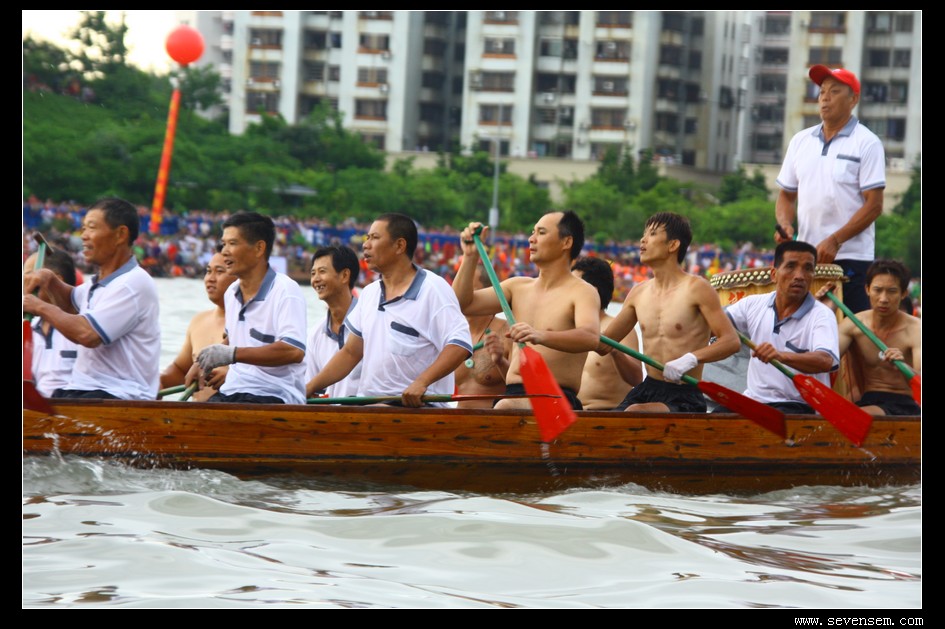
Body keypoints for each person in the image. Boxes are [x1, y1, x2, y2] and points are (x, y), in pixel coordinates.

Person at [305, 213, 472, 407]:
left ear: (399, 245)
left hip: (418, 407)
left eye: (374, 238)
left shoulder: (433, 289)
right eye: (367, 238)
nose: (365, 245)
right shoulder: (369, 293)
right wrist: (309, 387)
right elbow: (350, 352)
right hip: (370, 404)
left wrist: (422, 382)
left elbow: (459, 344)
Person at [454, 211, 600, 411]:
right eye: (533, 232)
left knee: (505, 407)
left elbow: (590, 337)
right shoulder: (516, 287)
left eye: (541, 232)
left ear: (566, 242)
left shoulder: (583, 291)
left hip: (554, 397)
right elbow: (462, 304)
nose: (531, 239)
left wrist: (540, 335)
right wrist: (470, 256)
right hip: (514, 394)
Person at [23, 197, 161, 400]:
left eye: (91, 228)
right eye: (83, 229)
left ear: (120, 234)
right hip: (84, 390)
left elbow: (87, 334)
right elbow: (71, 303)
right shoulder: (100, 283)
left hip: (119, 394)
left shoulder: (132, 283)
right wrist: (50, 280)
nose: (84, 236)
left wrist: (40, 307)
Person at [602, 212, 740, 413]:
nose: (643, 240)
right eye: (644, 234)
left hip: (684, 394)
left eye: (652, 234)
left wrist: (690, 359)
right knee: (608, 423)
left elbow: (731, 341)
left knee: (634, 413)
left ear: (673, 245)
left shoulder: (697, 288)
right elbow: (603, 343)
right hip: (647, 389)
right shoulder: (638, 293)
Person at [775, 64, 886, 314]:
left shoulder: (867, 143)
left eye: (834, 91)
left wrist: (836, 240)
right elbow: (786, 195)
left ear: (853, 99)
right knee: (801, 327)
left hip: (852, 257)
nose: (825, 97)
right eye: (822, 91)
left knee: (850, 330)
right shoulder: (800, 141)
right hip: (805, 258)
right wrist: (785, 224)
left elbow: (875, 205)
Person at [196, 212, 307, 405]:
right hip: (233, 391)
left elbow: (293, 351)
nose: (224, 251)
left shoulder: (286, 290)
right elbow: (233, 338)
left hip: (275, 395)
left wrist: (233, 354)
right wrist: (201, 364)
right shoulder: (231, 292)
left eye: (232, 243)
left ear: (259, 248)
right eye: (223, 244)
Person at [717, 240, 840, 414]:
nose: (800, 275)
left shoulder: (822, 315)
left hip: (797, 405)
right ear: (774, 274)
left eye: (807, 268)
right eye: (791, 266)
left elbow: (825, 361)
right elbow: (715, 326)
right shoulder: (752, 304)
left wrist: (780, 356)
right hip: (753, 400)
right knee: (716, 417)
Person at [816, 259, 920, 416]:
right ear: (867, 289)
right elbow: (824, 361)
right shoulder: (853, 324)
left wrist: (905, 368)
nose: (883, 299)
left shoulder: (917, 329)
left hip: (904, 404)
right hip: (867, 401)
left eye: (892, 291)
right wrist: (825, 313)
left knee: (851, 415)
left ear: (904, 293)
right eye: (877, 290)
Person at [159, 247, 236, 401]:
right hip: (196, 413)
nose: (210, 278)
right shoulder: (199, 321)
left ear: (240, 277)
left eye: (219, 271)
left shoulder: (253, 321)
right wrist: (157, 382)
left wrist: (235, 377)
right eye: (208, 271)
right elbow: (180, 370)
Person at [572, 256, 643, 410]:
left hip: (605, 414)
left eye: (573, 285)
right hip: (569, 413)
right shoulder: (565, 330)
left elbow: (637, 379)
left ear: (592, 291)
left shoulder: (620, 329)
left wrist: (615, 351)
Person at [303, 245, 363, 400]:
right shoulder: (316, 334)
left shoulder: (368, 322)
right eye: (313, 273)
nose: (315, 279)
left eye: (322, 271)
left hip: (369, 412)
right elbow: (310, 388)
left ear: (345, 275)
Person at [452, 261, 512, 409]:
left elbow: (522, 386)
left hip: (493, 419)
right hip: (454, 419)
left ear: (488, 294)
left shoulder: (508, 332)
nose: (461, 296)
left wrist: (500, 361)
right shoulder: (452, 333)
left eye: (468, 290)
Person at [23, 246, 80, 398]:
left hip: (77, 407)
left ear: (56, 281)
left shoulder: (83, 326)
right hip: (37, 409)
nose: (24, 284)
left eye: (29, 276)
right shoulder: (29, 327)